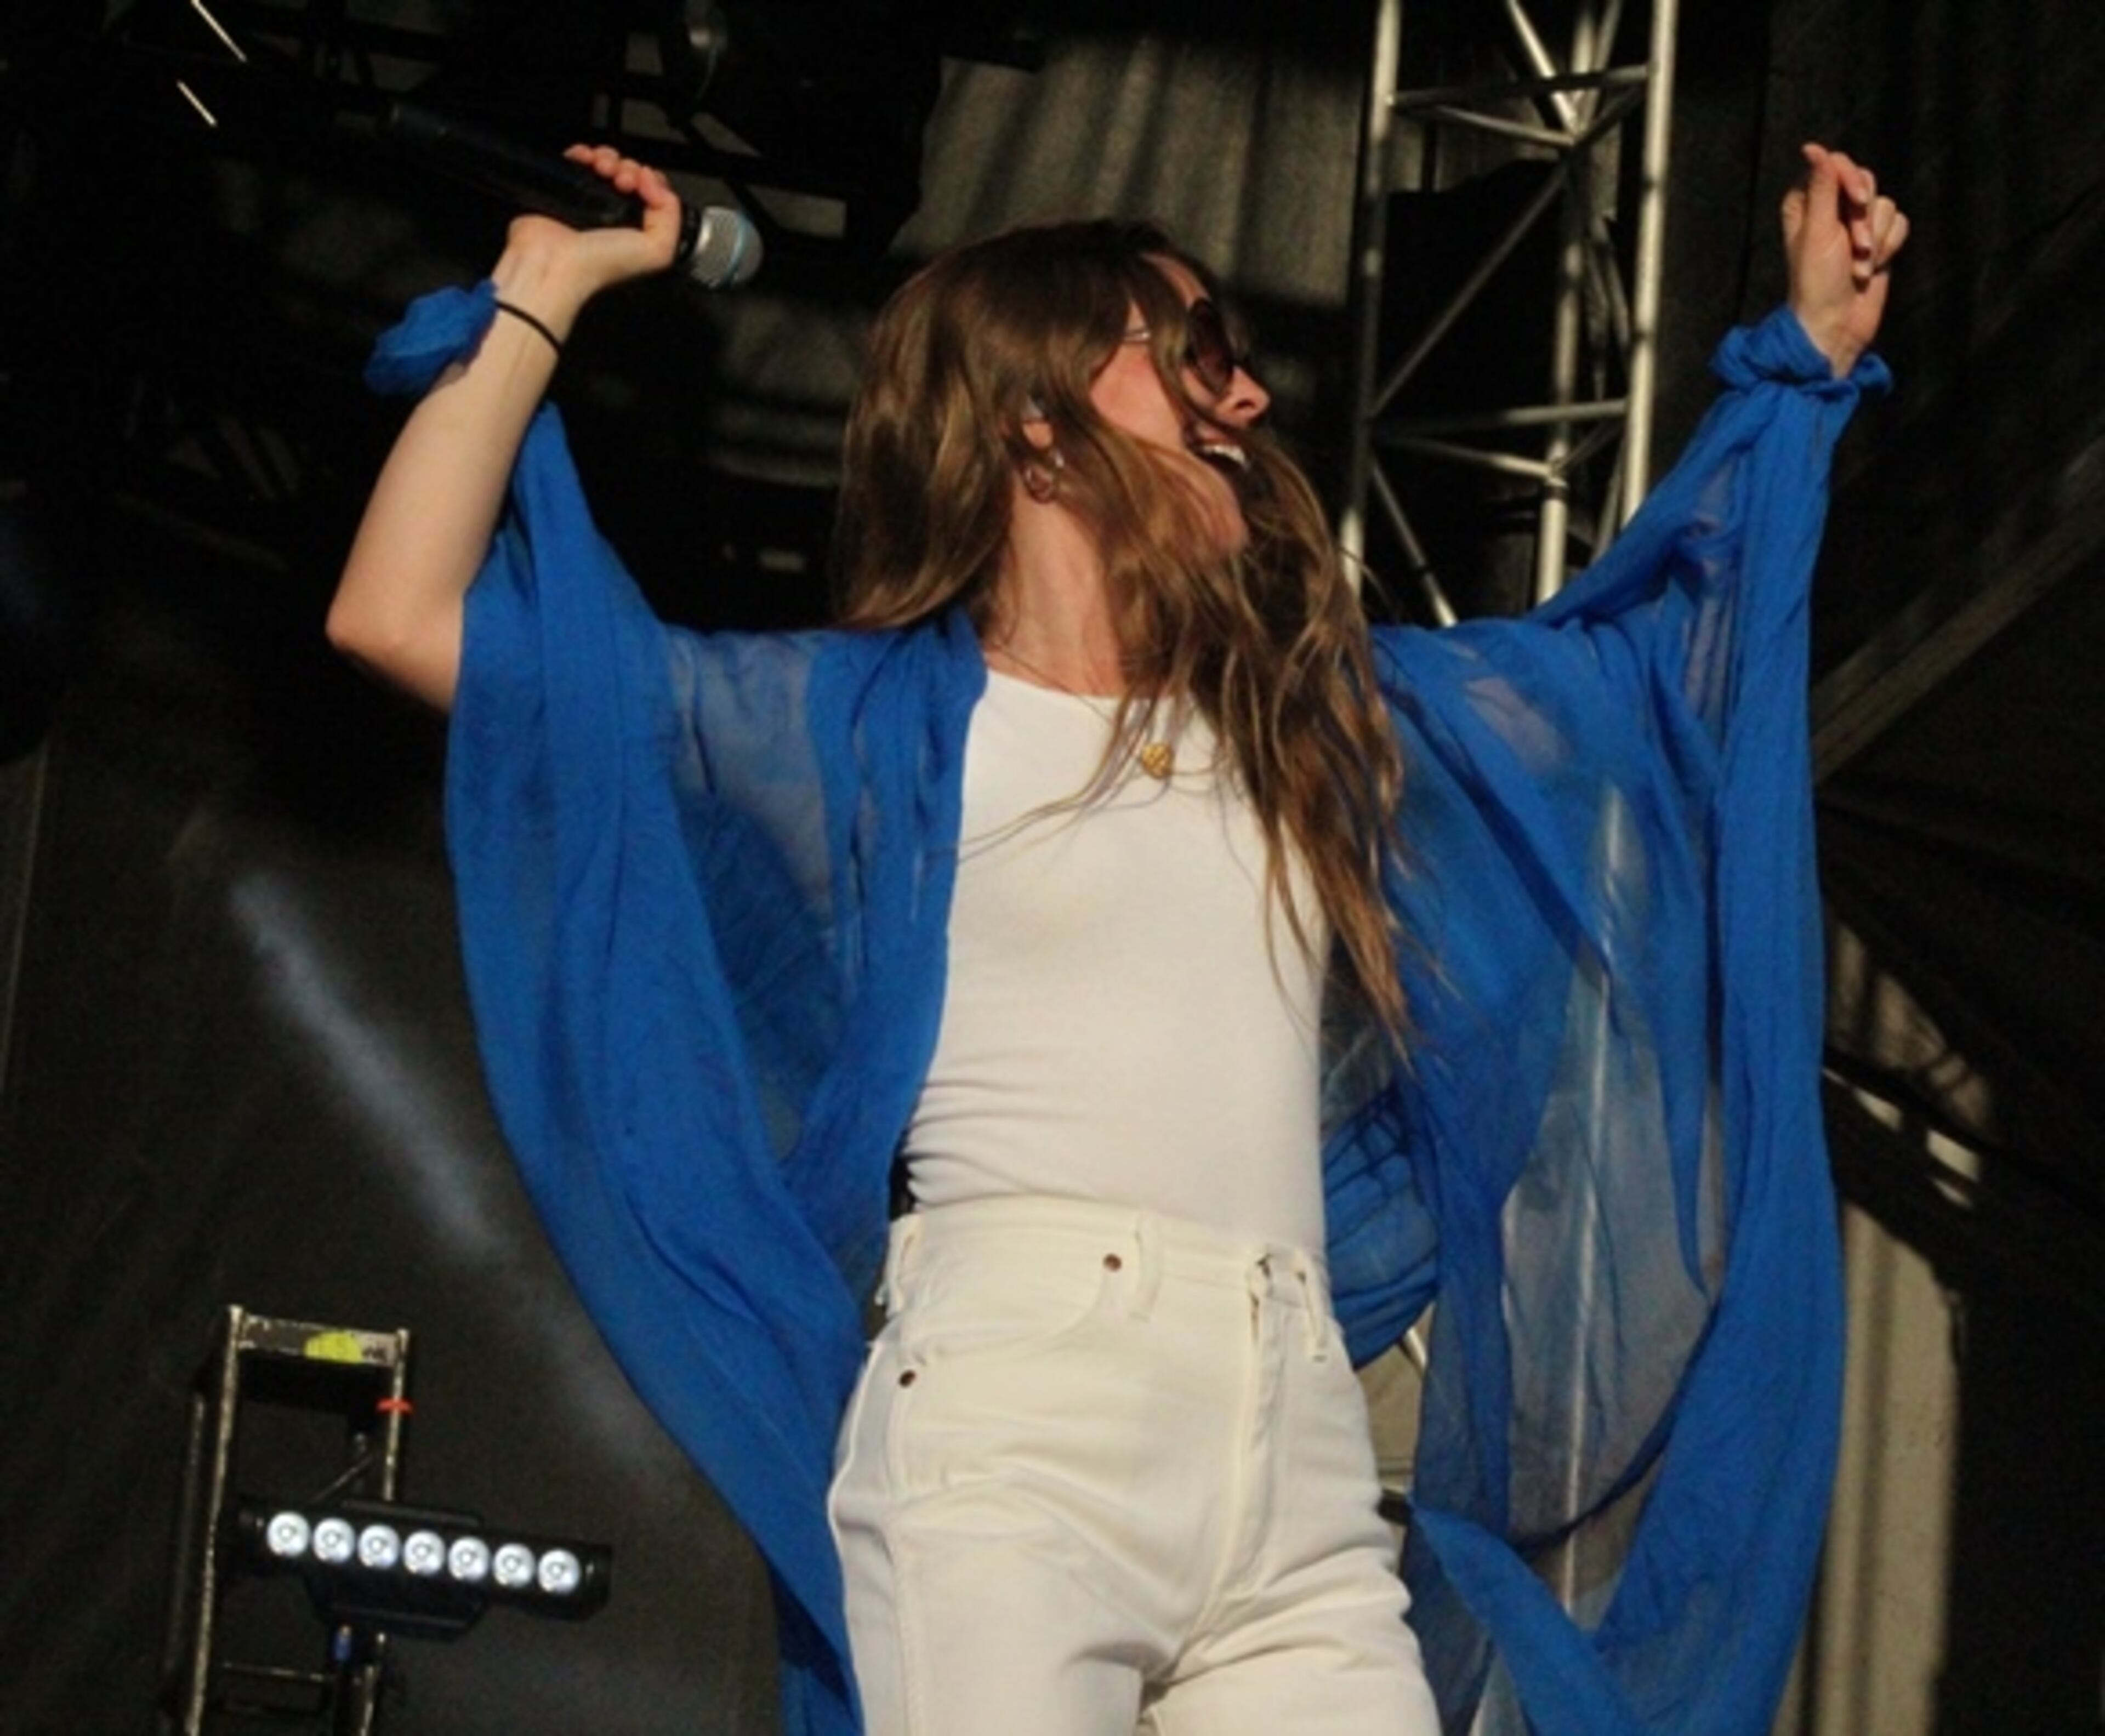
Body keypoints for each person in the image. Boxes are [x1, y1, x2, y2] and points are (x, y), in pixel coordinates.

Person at [331, 141, 1906, 1736]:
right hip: (1017, 1434)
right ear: (1036, 418)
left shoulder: (1313, 724)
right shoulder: (871, 730)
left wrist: (1806, 365)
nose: (1247, 397)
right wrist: (542, 291)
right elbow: (397, 614)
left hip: (1293, 1460)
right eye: (1198, 350)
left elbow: (1650, 668)